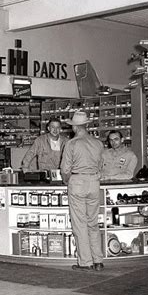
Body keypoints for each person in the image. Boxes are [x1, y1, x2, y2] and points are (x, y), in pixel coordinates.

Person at [60, 111, 104, 272]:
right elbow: (101, 166)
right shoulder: (98, 143)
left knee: (80, 224)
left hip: (77, 182)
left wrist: (67, 180)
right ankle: (98, 260)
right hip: (94, 183)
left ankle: (85, 262)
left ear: (75, 127)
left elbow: (65, 169)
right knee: (93, 223)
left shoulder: (71, 144)